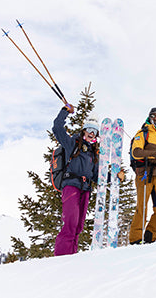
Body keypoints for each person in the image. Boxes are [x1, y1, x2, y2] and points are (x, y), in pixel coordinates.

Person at [52, 104, 99, 256]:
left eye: (95, 131)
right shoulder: (73, 144)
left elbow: (98, 176)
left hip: (85, 189)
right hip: (71, 186)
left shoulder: (94, 153)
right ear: (84, 130)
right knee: (70, 223)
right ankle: (61, 258)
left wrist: (116, 176)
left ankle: (71, 258)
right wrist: (65, 112)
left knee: (78, 226)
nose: (92, 133)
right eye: (89, 130)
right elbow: (57, 129)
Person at [128, 107, 156, 244]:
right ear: (149, 117)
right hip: (144, 173)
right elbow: (136, 152)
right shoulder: (143, 133)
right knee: (142, 207)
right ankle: (135, 239)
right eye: (154, 115)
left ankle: (149, 237)